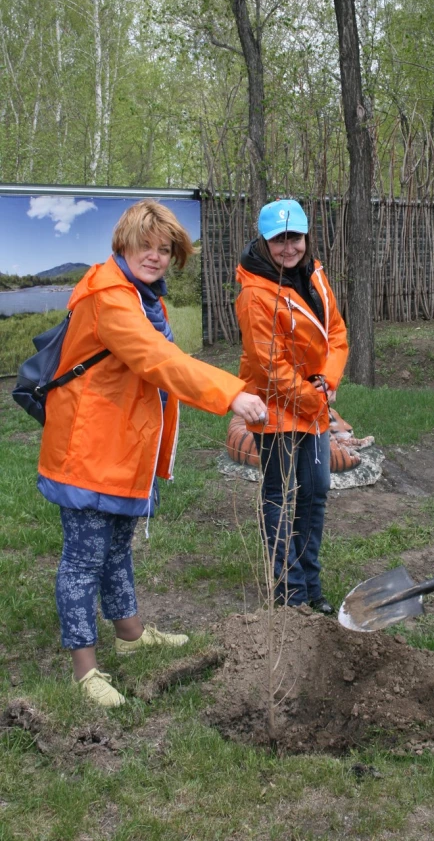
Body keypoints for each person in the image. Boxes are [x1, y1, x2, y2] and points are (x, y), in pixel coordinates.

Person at [38, 199, 266, 708]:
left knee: (116, 549)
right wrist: (229, 393)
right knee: (83, 562)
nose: (157, 257)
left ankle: (132, 635)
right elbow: (156, 358)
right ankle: (85, 670)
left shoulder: (143, 296)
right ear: (124, 243)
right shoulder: (109, 296)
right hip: (89, 450)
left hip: (121, 446)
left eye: (166, 250)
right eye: (148, 245)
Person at [235, 198, 348, 614]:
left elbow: (336, 332)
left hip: (314, 401)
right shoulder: (254, 295)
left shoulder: (314, 274)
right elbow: (268, 365)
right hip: (277, 407)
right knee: (281, 496)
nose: (289, 247)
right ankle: (291, 593)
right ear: (265, 241)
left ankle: (310, 583)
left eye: (295, 237)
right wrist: (313, 397)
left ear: (305, 237)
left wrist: (329, 379)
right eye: (279, 239)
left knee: (316, 491)